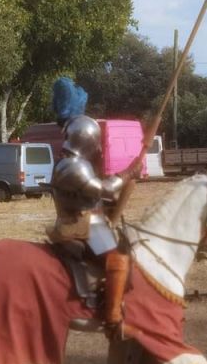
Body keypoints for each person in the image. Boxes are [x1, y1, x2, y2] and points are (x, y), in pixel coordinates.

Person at [49, 114, 143, 336]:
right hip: (82, 225)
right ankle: (113, 318)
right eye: (96, 143)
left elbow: (97, 194)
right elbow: (107, 189)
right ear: (88, 141)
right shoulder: (73, 167)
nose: (99, 147)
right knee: (118, 259)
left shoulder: (75, 163)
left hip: (90, 221)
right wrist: (129, 172)